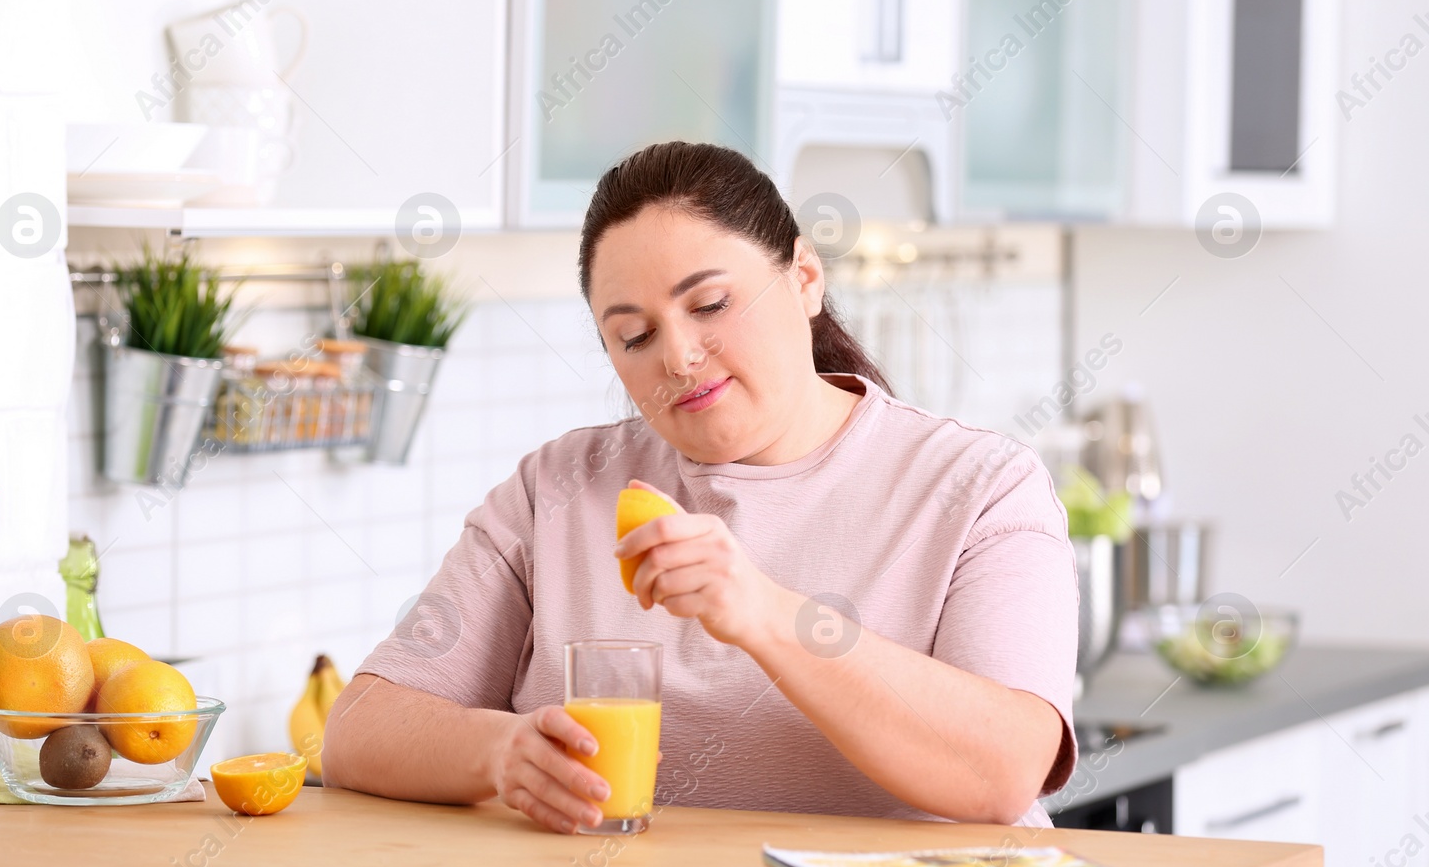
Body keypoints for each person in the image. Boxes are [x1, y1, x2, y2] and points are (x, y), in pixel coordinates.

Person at [324, 141, 1078, 832]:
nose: (679, 356)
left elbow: (1005, 771)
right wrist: (498, 751)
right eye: (635, 335)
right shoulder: (558, 490)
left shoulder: (981, 489)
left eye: (710, 304)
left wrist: (764, 612)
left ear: (805, 278)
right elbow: (359, 729)